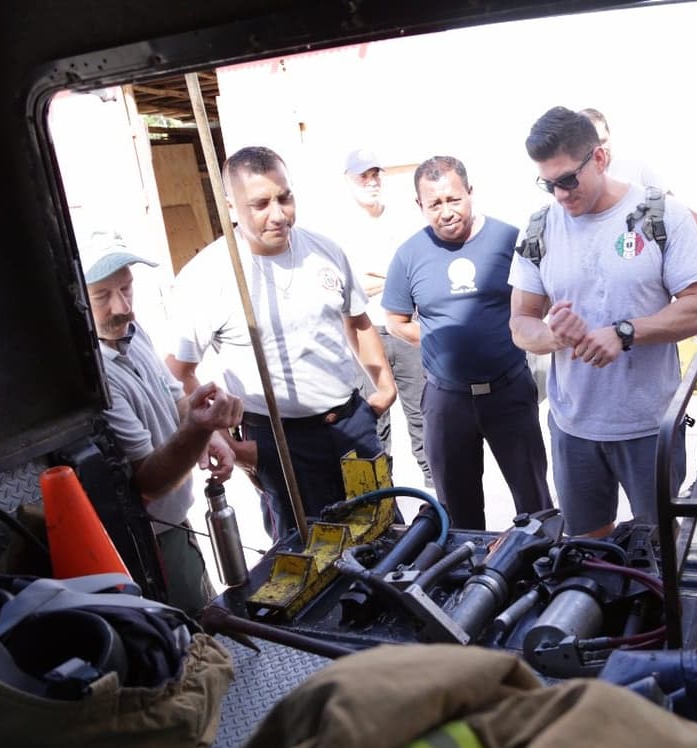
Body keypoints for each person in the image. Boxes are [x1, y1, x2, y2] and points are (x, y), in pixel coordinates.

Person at [166, 145, 396, 544]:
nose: (278, 214)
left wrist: (385, 388)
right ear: (230, 206)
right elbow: (178, 373)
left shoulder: (324, 251)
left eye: (284, 198)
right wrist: (223, 440)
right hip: (278, 441)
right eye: (260, 204)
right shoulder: (207, 277)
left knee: (385, 537)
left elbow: (357, 320)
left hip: (351, 424)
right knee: (308, 555)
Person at [509, 106, 697, 538]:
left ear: (600, 158)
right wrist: (553, 336)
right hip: (573, 428)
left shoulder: (662, 214)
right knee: (587, 550)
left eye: (568, 180)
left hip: (649, 427)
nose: (560, 194)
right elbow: (520, 323)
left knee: (658, 548)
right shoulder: (540, 227)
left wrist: (625, 333)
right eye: (549, 184)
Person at [382, 156, 553, 529]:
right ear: (419, 205)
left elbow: (542, 301)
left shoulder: (509, 240)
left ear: (470, 192)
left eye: (453, 199)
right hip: (447, 400)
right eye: (434, 204)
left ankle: (540, 559)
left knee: (534, 500)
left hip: (509, 392)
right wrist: (439, 340)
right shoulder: (409, 254)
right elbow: (394, 320)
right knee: (457, 512)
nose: (446, 212)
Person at [82, 230, 244, 613]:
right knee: (194, 629)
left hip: (177, 521)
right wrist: (200, 429)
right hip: (149, 539)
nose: (123, 307)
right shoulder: (94, 374)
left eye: (127, 288)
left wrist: (208, 435)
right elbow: (149, 482)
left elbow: (176, 400)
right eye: (102, 296)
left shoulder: (132, 332)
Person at [340, 147, 433, 486]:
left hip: (406, 329)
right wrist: (392, 276)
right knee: (373, 418)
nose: (371, 182)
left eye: (375, 174)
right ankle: (382, 495)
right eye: (363, 176)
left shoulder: (403, 221)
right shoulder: (340, 229)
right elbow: (346, 288)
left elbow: (415, 275)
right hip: (365, 334)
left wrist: (375, 278)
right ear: (348, 180)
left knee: (423, 414)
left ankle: (438, 493)